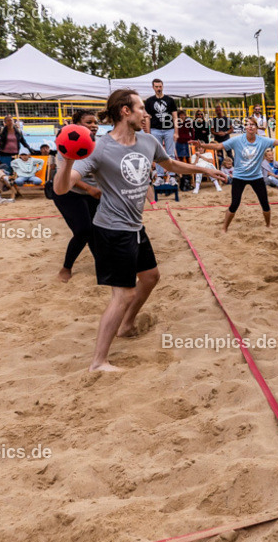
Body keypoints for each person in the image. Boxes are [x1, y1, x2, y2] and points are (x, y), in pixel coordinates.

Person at [55, 89, 227, 371]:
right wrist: (69, 160)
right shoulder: (98, 147)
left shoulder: (147, 141)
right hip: (111, 229)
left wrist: (204, 170)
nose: (147, 114)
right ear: (125, 111)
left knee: (150, 277)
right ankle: (98, 362)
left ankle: (127, 325)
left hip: (134, 226)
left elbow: (170, 164)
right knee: (123, 295)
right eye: (141, 108)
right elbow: (61, 188)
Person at [196, 118, 278, 230]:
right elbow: (218, 146)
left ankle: (268, 225)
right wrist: (203, 146)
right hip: (239, 177)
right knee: (234, 204)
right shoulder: (237, 140)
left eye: (253, 125)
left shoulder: (262, 140)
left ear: (256, 128)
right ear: (245, 128)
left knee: (265, 203)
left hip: (256, 177)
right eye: (248, 125)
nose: (251, 126)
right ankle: (224, 228)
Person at [53, 110, 102, 282]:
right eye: (89, 122)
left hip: (92, 193)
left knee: (95, 231)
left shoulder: (99, 143)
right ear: (77, 125)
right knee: (83, 231)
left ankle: (101, 265)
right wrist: (89, 188)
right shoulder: (67, 142)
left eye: (95, 122)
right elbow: (65, 176)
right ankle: (66, 268)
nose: (94, 125)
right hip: (68, 193)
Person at [144, 79, 178, 182]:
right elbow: (147, 118)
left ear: (163, 86)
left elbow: (175, 117)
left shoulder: (170, 100)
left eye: (160, 86)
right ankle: (159, 176)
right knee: (157, 154)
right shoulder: (149, 101)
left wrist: (176, 132)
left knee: (170, 153)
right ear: (153, 87)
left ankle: (172, 176)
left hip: (169, 129)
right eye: (156, 87)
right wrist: (148, 133)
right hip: (155, 130)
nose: (159, 88)